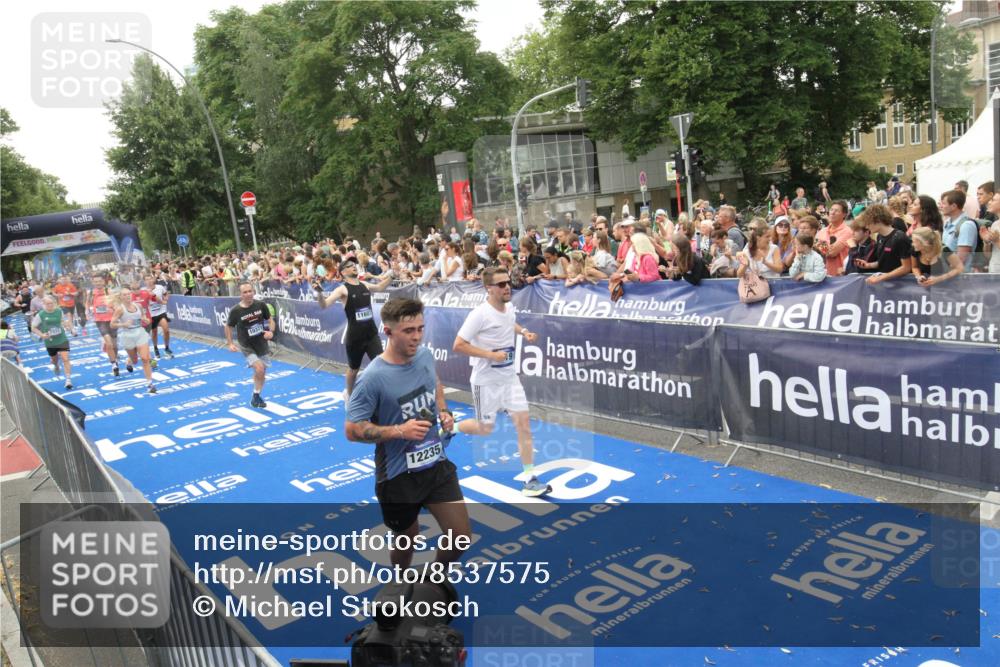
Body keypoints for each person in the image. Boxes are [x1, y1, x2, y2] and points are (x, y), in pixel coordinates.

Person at [345, 298, 469, 569]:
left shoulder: (424, 355)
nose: (417, 337)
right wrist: (399, 430)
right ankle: (400, 582)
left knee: (460, 538)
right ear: (388, 332)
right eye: (408, 331)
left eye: (420, 329)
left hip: (436, 463)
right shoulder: (372, 377)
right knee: (407, 539)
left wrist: (444, 411)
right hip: (398, 475)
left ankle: (432, 579)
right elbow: (352, 430)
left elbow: (434, 381)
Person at [452, 268, 550, 497]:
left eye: (508, 283)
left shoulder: (509, 308)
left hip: (509, 379)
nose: (508, 287)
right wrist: (490, 355)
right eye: (502, 284)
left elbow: (510, 323)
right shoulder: (479, 314)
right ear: (489, 288)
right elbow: (458, 344)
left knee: (524, 425)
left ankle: (530, 479)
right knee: (484, 428)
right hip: (485, 380)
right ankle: (451, 429)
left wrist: (524, 331)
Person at [314, 258, 394, 399]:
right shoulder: (342, 289)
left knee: (382, 364)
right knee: (353, 370)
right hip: (355, 337)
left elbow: (380, 287)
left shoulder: (364, 284)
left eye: (354, 265)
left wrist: (392, 276)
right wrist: (319, 293)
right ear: (343, 272)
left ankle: (384, 394)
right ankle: (349, 395)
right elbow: (324, 305)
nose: (354, 267)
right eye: (350, 266)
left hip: (371, 334)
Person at [225, 283, 274, 408]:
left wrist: (270, 332)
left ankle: (256, 395)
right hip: (246, 345)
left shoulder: (261, 305)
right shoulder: (236, 310)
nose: (248, 294)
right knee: (259, 369)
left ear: (253, 291)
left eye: (250, 291)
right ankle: (256, 396)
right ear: (240, 294)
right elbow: (228, 326)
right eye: (245, 292)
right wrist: (230, 343)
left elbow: (270, 320)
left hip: (261, 343)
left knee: (262, 372)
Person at [110, 287, 157, 394]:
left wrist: (146, 320)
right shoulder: (120, 309)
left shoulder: (138, 305)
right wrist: (123, 324)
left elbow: (145, 317)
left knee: (145, 358)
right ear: (121, 297)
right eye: (124, 295)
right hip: (127, 335)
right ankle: (129, 361)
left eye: (128, 294)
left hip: (140, 333)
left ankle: (150, 384)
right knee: (135, 361)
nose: (127, 296)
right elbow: (112, 324)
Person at [860, 204, 913, 285]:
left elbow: (906, 267)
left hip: (900, 285)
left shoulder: (900, 238)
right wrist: (868, 265)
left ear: (877, 220)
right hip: (886, 285)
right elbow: (883, 262)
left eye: (868, 223)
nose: (867, 227)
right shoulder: (879, 237)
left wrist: (880, 278)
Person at [31, 296, 73, 389]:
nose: (50, 305)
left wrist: (68, 327)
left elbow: (62, 321)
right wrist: (42, 335)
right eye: (47, 304)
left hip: (62, 338)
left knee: (65, 358)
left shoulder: (59, 311)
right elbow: (33, 327)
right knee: (54, 360)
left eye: (51, 303)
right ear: (44, 304)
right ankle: (56, 365)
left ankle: (68, 380)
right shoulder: (40, 314)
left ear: (55, 303)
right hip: (50, 341)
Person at [88, 274, 121, 376]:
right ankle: (114, 365)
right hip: (100, 321)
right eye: (96, 281)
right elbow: (88, 305)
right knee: (109, 343)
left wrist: (113, 309)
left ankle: (115, 358)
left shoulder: (109, 291)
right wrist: (89, 312)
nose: (98, 283)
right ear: (93, 283)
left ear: (103, 282)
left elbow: (116, 305)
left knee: (114, 345)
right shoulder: (91, 293)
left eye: (99, 281)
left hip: (111, 320)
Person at [939, 189, 978, 271]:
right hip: (948, 273)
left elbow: (961, 259)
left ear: (954, 206)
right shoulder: (947, 223)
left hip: (961, 277)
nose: (940, 206)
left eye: (943, 203)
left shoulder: (966, 225)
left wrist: (944, 276)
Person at [143, 274, 173, 359]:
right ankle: (156, 348)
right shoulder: (144, 291)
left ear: (153, 280)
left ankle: (167, 348)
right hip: (150, 314)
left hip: (161, 312)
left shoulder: (159, 287)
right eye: (146, 279)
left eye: (150, 279)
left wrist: (166, 299)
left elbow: (166, 293)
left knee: (166, 330)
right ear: (144, 281)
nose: (148, 281)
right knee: (154, 332)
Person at [981, 192, 1000, 273]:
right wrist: (986, 242)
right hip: (993, 272)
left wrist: (997, 241)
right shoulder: (995, 224)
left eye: (993, 200)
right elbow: (988, 255)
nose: (989, 202)